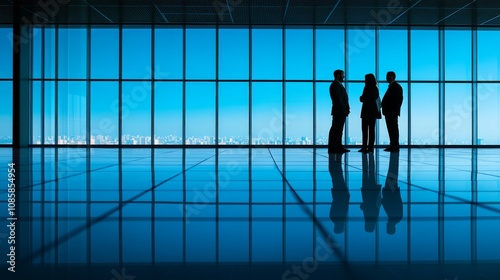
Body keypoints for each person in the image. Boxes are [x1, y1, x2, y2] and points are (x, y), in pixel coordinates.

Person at [328, 69, 350, 154]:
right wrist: (344, 109)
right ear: (338, 75)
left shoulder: (338, 85)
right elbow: (338, 100)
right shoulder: (335, 85)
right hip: (339, 111)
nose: (343, 76)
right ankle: (333, 147)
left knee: (338, 129)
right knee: (336, 129)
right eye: (342, 74)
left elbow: (342, 99)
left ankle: (338, 146)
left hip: (340, 111)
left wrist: (346, 109)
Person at [381, 151, 403, 235]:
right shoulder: (395, 218)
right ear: (391, 228)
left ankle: (394, 155)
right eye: (388, 228)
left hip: (391, 191)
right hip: (391, 191)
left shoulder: (393, 218)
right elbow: (395, 203)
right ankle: (394, 155)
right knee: (392, 172)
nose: (386, 226)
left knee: (392, 172)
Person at [381, 71, 403, 152]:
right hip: (390, 112)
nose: (386, 78)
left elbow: (399, 100)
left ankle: (394, 146)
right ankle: (393, 145)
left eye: (387, 76)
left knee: (393, 129)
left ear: (392, 77)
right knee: (392, 129)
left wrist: (394, 111)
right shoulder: (393, 87)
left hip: (391, 112)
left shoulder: (396, 87)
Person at [329, 153, 350, 234]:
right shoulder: (333, 218)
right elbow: (334, 205)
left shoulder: (341, 218)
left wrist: (347, 196)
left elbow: (344, 206)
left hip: (341, 195)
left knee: (338, 175)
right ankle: (335, 157)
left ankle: (337, 156)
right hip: (337, 194)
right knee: (336, 176)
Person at [359, 73, 380, 153]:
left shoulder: (367, 87)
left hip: (366, 111)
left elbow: (364, 98)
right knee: (372, 130)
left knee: (365, 130)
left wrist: (361, 98)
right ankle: (371, 147)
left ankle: (364, 147)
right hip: (373, 112)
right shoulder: (375, 88)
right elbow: (374, 98)